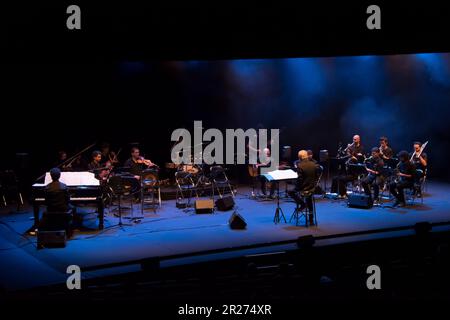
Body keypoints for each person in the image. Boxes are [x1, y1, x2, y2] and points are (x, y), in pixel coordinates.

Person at [288, 150, 319, 225]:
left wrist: (295, 186)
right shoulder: (314, 164)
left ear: (300, 157)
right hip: (313, 188)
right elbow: (316, 177)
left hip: (304, 188)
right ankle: (311, 219)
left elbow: (300, 180)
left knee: (290, 192)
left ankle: (302, 204)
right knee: (309, 198)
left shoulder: (300, 166)